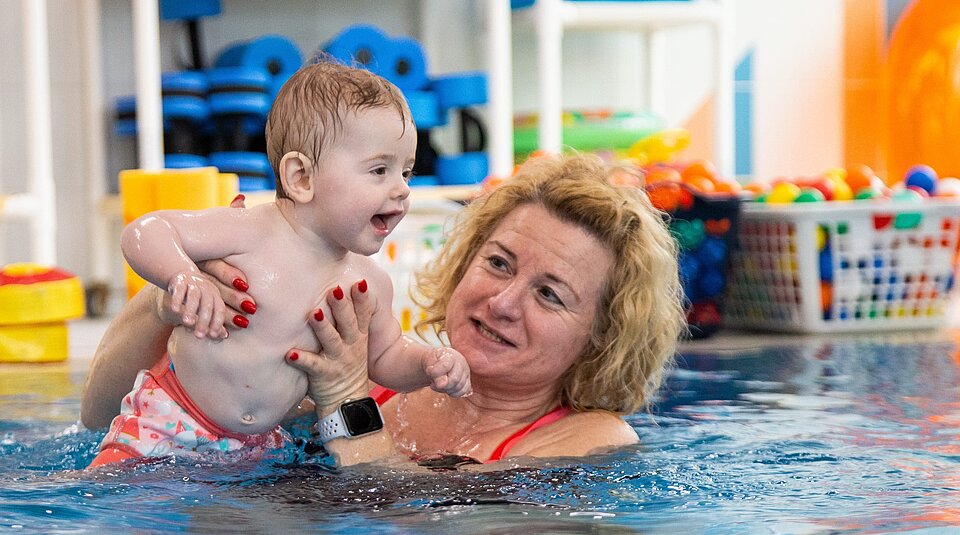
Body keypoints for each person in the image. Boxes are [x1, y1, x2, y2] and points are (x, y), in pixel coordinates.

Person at [82, 153, 686, 467]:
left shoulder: (590, 439)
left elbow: (435, 530)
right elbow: (99, 420)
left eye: (550, 294)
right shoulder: (377, 365)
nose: (503, 302)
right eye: (499, 263)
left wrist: (345, 401)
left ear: (602, 337)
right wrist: (175, 301)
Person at [86, 60, 470, 468]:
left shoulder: (369, 283)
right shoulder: (248, 231)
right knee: (116, 491)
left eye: (407, 172)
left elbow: (385, 356)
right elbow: (146, 231)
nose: (402, 190)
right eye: (380, 170)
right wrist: (182, 275)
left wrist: (427, 364)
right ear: (301, 177)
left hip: (255, 446)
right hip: (170, 418)